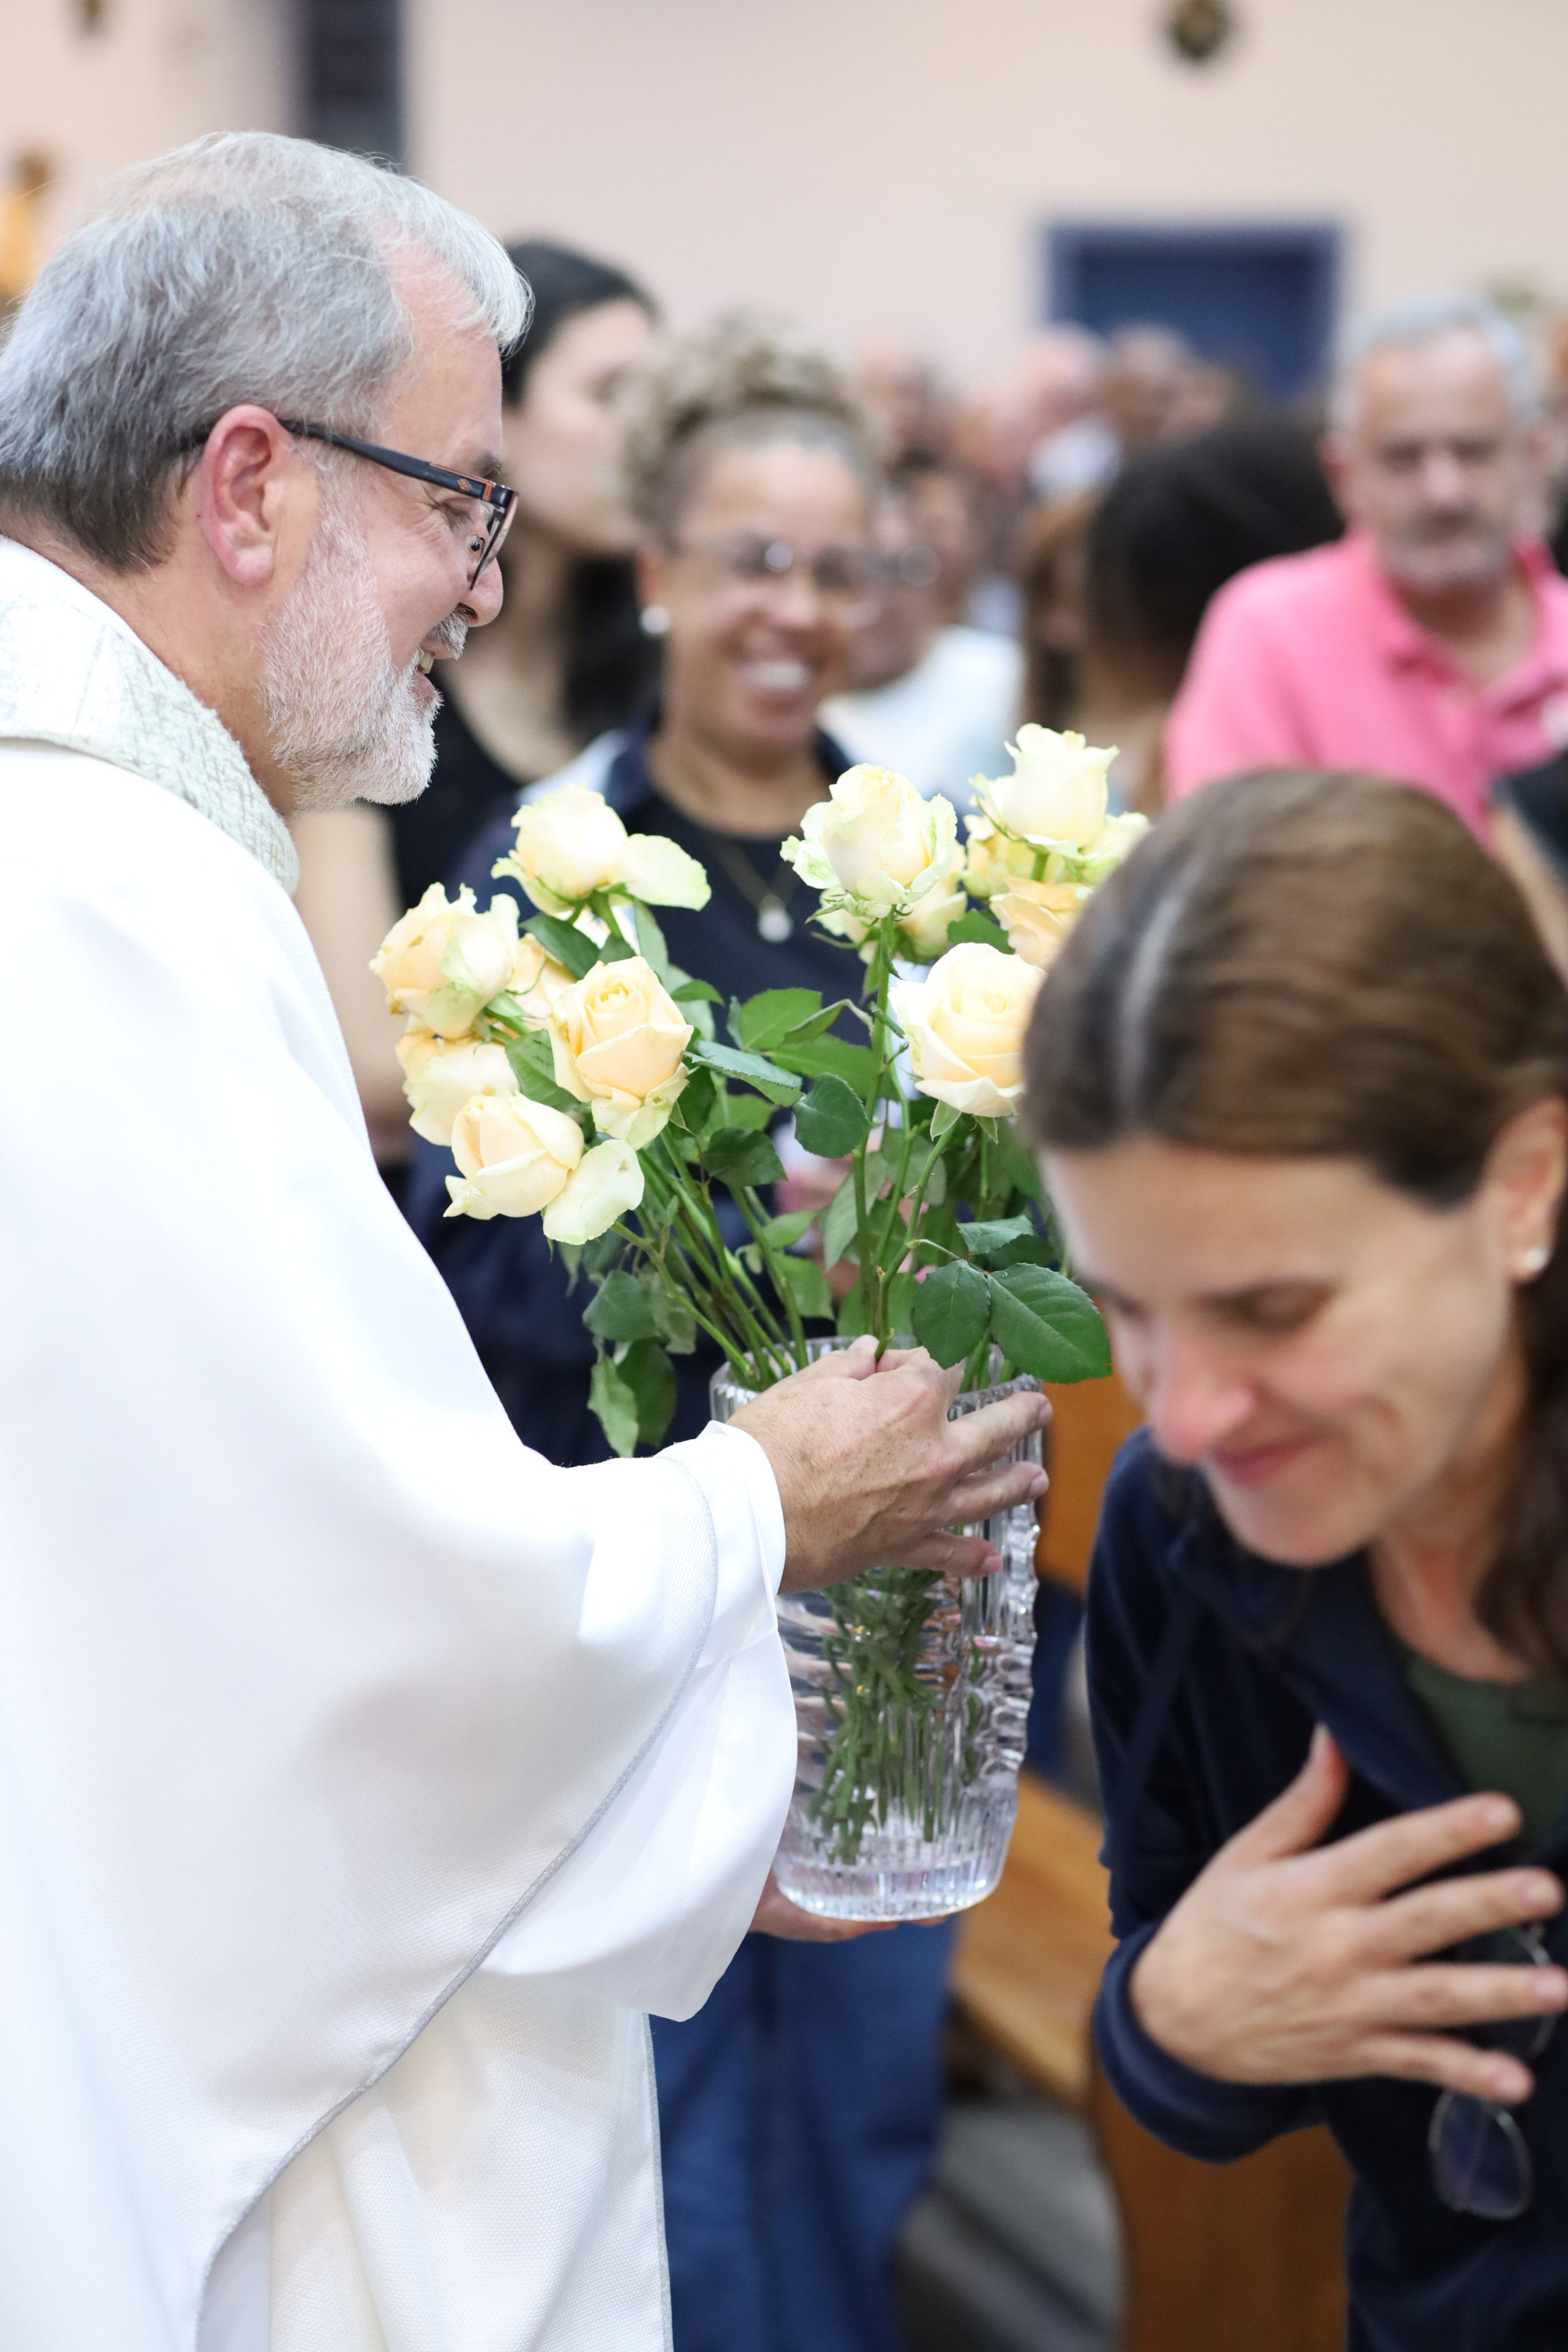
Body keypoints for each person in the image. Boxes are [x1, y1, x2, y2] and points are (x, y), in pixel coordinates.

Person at [0, 133, 1048, 2352]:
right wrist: (763, 1497)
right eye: (459, 501)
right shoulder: (104, 898)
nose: (485, 585)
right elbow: (343, 1620)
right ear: (252, 486)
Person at [407, 318, 965, 2352]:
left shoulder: (928, 884)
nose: (792, 611)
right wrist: (742, 1251)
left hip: (884, 1619)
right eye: (751, 559)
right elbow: (474, 1253)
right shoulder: (550, 875)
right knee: (658, 2130)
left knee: (860, 2114)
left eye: (836, 570)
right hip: (646, 1580)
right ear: (656, 568)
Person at [1022, 771, 1568, 2348]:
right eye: (1127, 1306)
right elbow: (1182, 1982)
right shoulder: (1181, 1529)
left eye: (1270, 1310)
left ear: (1520, 1185)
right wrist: (1170, 2021)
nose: (1183, 1414)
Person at [290, 239, 660, 1178]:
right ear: (499, 412)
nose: (647, 438)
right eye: (609, 394)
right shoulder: (376, 678)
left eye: (658, 403)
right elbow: (373, 1062)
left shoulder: (653, 684)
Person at [1165, 295, 1568, 837]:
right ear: (1343, 474)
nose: (1443, 491)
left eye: (1473, 452)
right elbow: (1229, 872)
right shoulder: (1271, 633)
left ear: (1534, 454)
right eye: (1403, 458)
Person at [822, 453, 1022, 812]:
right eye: (853, 575)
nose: (875, 599)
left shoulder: (1004, 679)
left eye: (897, 569)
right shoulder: (791, 706)